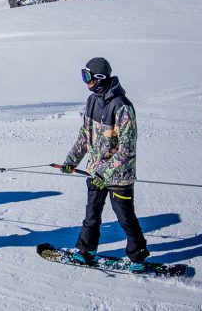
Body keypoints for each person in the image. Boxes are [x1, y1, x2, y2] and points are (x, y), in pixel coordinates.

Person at [60, 57, 149, 272]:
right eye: (84, 75)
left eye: (88, 76)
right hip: (95, 171)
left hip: (118, 175)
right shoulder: (92, 101)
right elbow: (85, 136)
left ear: (100, 78)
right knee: (91, 215)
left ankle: (138, 255)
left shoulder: (123, 107)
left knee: (125, 216)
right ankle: (86, 250)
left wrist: (105, 173)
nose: (86, 81)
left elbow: (127, 150)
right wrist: (71, 161)